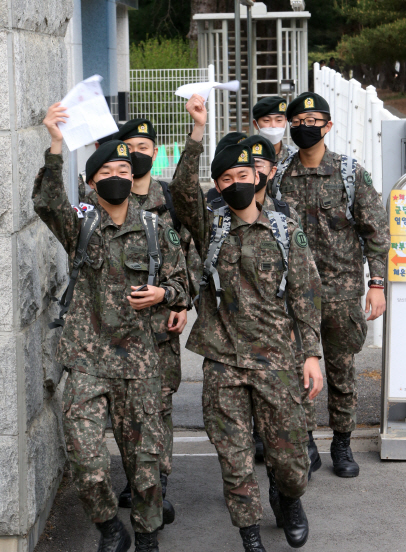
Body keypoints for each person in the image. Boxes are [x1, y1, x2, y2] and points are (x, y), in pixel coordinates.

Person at [169, 94, 323, 551]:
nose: (236, 182)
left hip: (277, 360)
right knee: (233, 456)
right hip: (224, 361)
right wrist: (197, 132)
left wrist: (311, 354)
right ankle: (249, 533)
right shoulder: (210, 225)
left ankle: (288, 496)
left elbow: (306, 295)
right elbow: (180, 191)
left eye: (243, 174)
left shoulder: (284, 230)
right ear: (218, 184)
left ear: (260, 177)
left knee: (291, 458)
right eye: (226, 177)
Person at [33, 103, 189, 552]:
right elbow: (45, 201)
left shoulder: (157, 227)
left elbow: (182, 284)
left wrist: (165, 295)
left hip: (141, 362)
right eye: (110, 169)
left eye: (127, 166)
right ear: (94, 180)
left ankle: (146, 536)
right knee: (85, 459)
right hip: (87, 359)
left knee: (145, 463)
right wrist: (55, 145)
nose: (120, 174)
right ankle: (108, 526)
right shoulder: (79, 224)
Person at [277, 91, 390, 478]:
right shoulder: (278, 176)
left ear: (328, 125)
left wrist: (377, 283)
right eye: (298, 121)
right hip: (295, 294)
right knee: (298, 372)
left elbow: (375, 230)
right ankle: (307, 442)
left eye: (314, 121)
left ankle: (342, 443)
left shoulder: (349, 172)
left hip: (342, 291)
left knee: (342, 371)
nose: (306, 127)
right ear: (290, 126)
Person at [113, 119, 197, 521]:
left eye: (145, 145)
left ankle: (157, 484)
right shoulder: (104, 198)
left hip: (162, 319)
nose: (139, 152)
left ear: (156, 149)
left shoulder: (170, 199)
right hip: (117, 328)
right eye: (130, 146)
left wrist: (183, 303)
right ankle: (135, 475)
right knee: (126, 407)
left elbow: (191, 252)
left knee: (159, 404)